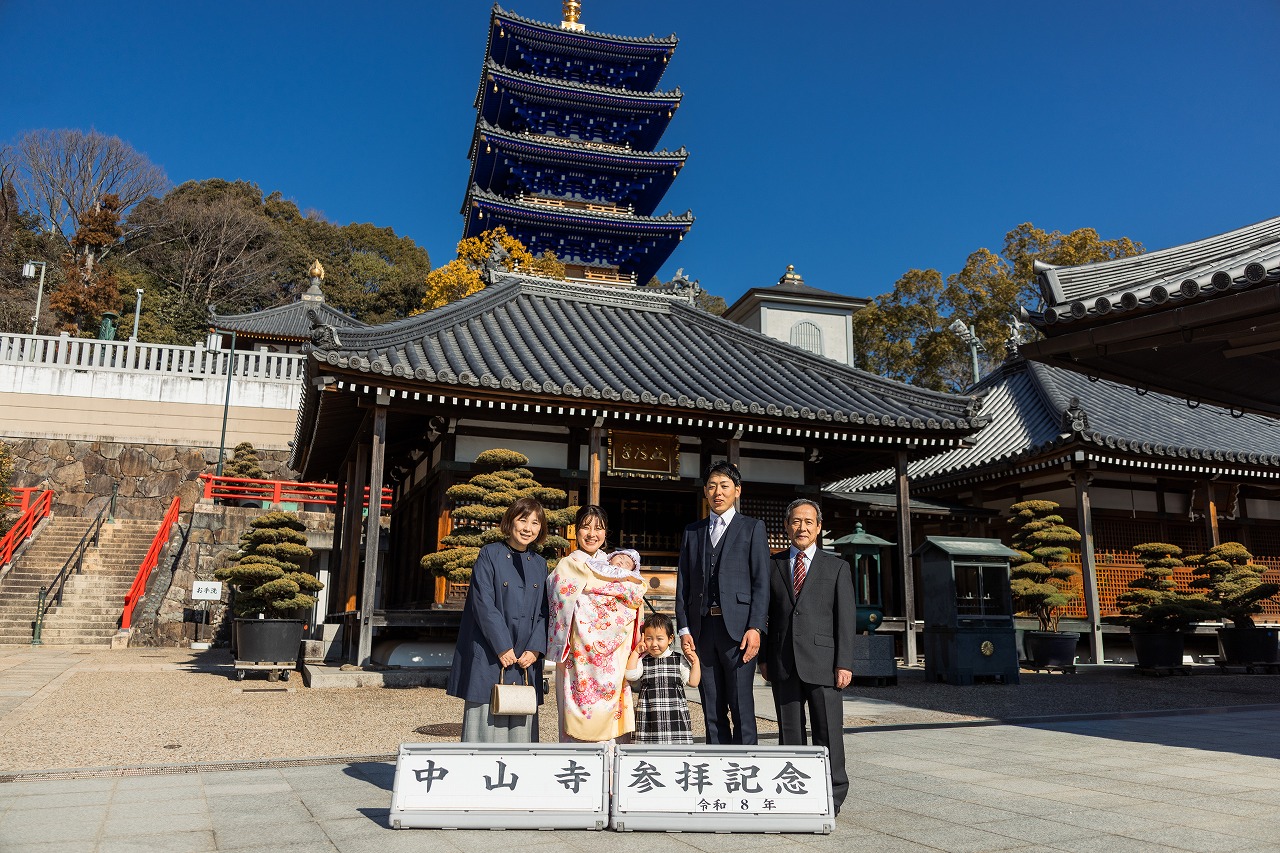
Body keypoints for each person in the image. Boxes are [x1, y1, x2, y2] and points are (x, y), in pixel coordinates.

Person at [761, 498, 855, 812]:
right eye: (796, 521)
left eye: (808, 522)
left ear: (818, 527)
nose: (802, 527)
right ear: (786, 527)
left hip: (824, 663)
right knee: (790, 733)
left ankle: (833, 796)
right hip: (783, 661)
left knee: (829, 732)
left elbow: (845, 618)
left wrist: (844, 662)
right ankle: (794, 793)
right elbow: (765, 614)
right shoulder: (773, 565)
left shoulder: (836, 566)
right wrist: (764, 658)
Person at [675, 461, 770, 744]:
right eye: (712, 486)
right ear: (705, 491)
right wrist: (684, 628)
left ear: (737, 490)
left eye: (725, 486)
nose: (718, 492)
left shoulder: (752, 528)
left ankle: (747, 762)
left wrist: (755, 627)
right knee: (711, 707)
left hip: (739, 631)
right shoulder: (693, 531)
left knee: (741, 704)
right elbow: (684, 584)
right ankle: (717, 762)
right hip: (702, 629)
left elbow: (761, 582)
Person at [446, 497, 550, 743]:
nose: (528, 528)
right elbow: (483, 603)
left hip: (525, 658)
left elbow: (546, 611)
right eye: (522, 520)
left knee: (522, 731)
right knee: (483, 726)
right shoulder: (490, 554)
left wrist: (536, 649)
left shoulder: (540, 564)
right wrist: (502, 646)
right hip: (490, 652)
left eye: (535, 523)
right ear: (510, 521)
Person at [547, 506, 645, 742]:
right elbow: (559, 600)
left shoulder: (615, 565)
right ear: (576, 530)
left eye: (598, 528)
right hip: (577, 654)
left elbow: (636, 593)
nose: (592, 534)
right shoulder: (567, 565)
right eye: (585, 527)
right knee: (574, 717)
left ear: (605, 532)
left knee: (612, 723)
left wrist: (588, 590)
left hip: (614, 655)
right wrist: (612, 592)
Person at [626, 612, 701, 744]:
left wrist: (695, 663)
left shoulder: (678, 659)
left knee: (676, 751)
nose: (654, 644)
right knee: (649, 751)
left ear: (670, 639)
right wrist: (636, 652)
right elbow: (630, 675)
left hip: (674, 716)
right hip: (649, 716)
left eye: (659, 639)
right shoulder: (644, 659)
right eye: (649, 638)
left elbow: (693, 682)